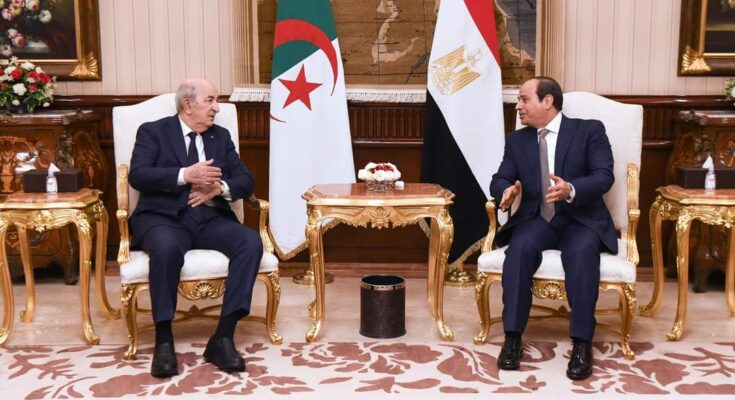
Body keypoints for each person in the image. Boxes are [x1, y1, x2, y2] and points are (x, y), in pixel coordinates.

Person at [129, 78, 263, 378]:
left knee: (250, 242)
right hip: (163, 218)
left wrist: (220, 188)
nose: (217, 108)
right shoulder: (153, 131)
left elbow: (246, 180)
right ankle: (164, 340)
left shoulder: (220, 137)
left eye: (217, 101)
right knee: (165, 248)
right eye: (210, 100)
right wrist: (184, 175)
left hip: (209, 218)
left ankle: (223, 337)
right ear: (188, 105)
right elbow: (138, 175)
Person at [490, 76, 616, 380]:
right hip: (538, 220)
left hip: (580, 219)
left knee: (582, 253)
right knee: (518, 250)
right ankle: (512, 338)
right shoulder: (517, 140)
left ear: (548, 101)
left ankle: (582, 343)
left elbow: (604, 176)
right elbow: (500, 177)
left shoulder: (589, 130)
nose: (518, 106)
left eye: (524, 99)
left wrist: (571, 188)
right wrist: (506, 190)